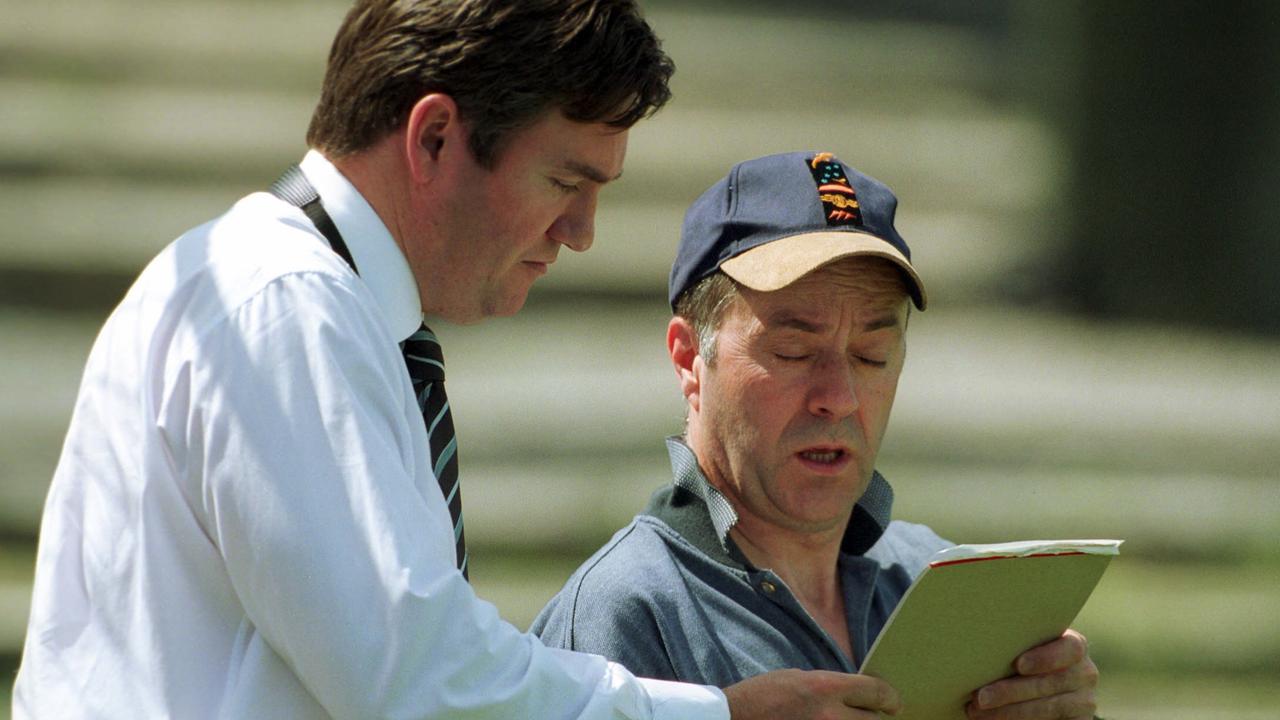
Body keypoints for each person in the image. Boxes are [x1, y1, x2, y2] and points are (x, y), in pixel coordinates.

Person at [12, 4, 903, 719]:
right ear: (434, 137)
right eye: (566, 183)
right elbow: (412, 677)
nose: (582, 233)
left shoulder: (314, 303)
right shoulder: (283, 305)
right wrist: (719, 716)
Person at [533, 151, 1102, 719]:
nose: (839, 396)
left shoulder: (938, 582)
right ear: (689, 358)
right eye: (793, 351)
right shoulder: (625, 612)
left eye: (871, 355)